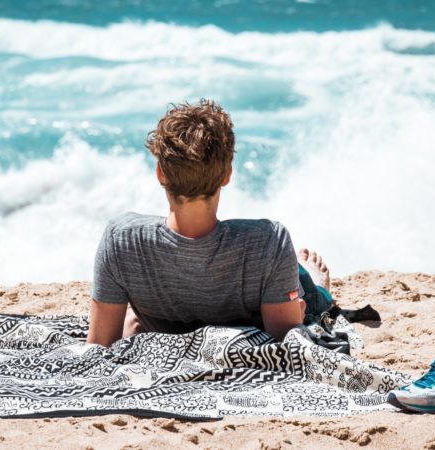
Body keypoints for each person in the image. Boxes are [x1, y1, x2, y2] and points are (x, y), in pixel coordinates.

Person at [86, 100, 333, 347]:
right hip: (257, 310)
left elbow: (99, 345)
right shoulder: (268, 240)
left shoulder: (122, 239)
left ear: (160, 173)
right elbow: (285, 337)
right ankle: (317, 285)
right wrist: (296, 315)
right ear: (227, 175)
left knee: (138, 317)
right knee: (305, 289)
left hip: (161, 322)